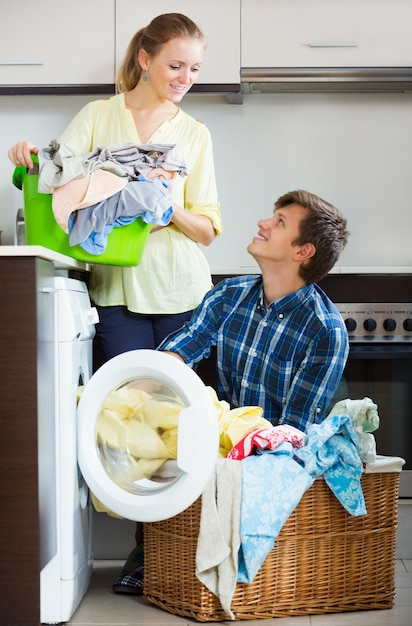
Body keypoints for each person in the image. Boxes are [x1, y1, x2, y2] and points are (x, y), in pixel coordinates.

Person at [8, 13, 222, 594]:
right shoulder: (98, 117)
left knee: (182, 429)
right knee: (127, 429)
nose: (185, 77)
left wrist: (161, 205)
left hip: (182, 294)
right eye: (176, 64)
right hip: (116, 295)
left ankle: (178, 556)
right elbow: (55, 179)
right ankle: (144, 553)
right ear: (146, 58)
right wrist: (25, 157)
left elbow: (208, 229)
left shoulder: (194, 133)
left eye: (195, 69)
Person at [160, 189, 350, 433]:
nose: (263, 223)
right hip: (227, 447)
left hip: (279, 460)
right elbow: (182, 349)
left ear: (303, 251)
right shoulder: (229, 295)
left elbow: (294, 432)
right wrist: (142, 381)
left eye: (279, 222)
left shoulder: (325, 331)